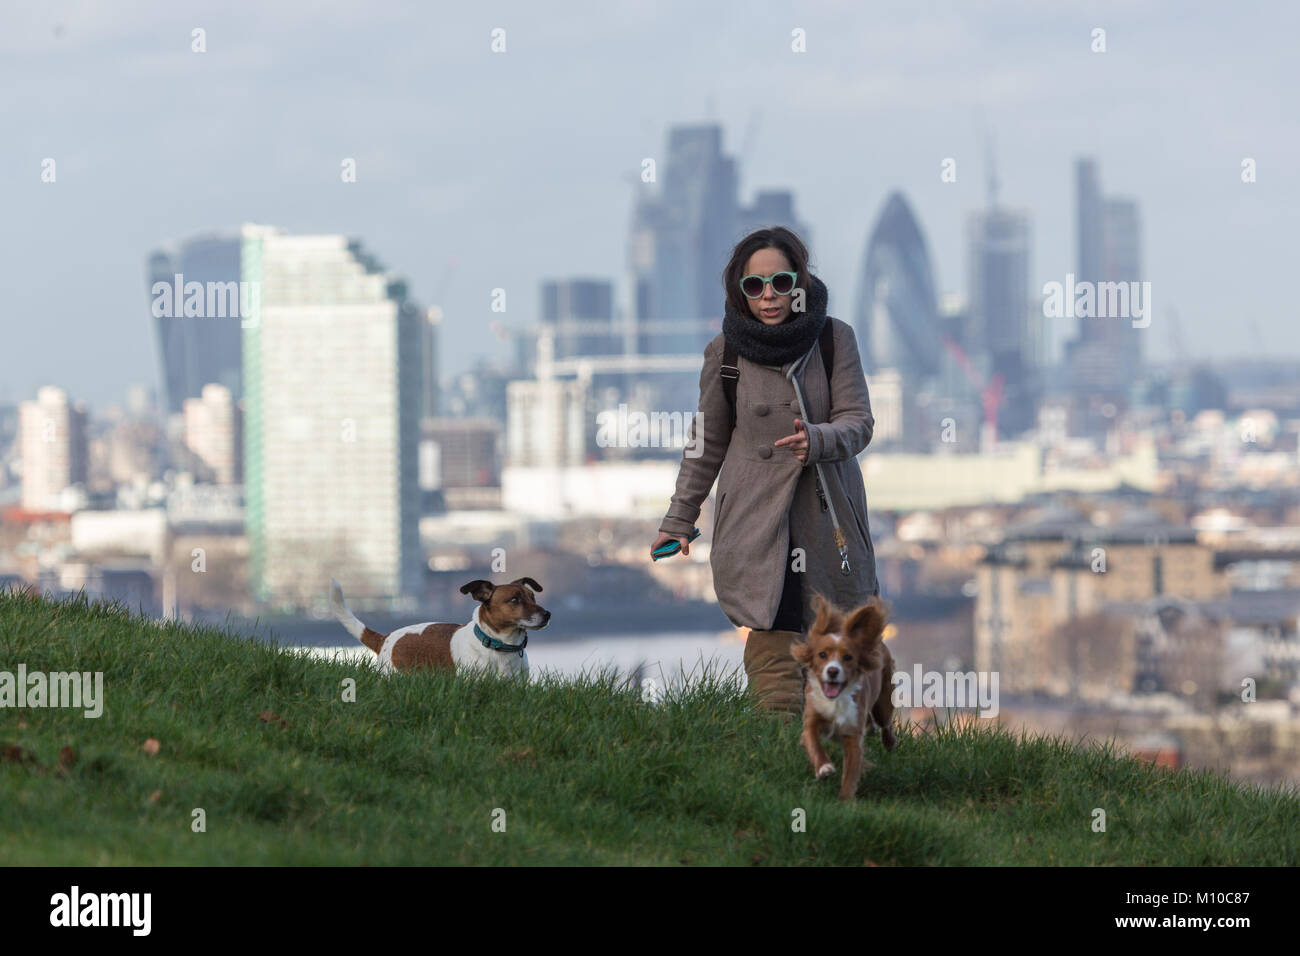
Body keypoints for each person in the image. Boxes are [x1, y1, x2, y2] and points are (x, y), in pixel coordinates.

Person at [651, 227, 881, 715]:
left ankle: (849, 757)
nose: (769, 296)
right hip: (757, 521)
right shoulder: (724, 353)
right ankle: (782, 765)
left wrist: (817, 440)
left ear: (799, 281)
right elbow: (705, 442)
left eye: (780, 282)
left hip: (824, 514)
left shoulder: (834, 339)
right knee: (774, 651)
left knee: (840, 644)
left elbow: (859, 423)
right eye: (755, 287)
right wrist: (678, 519)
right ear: (740, 290)